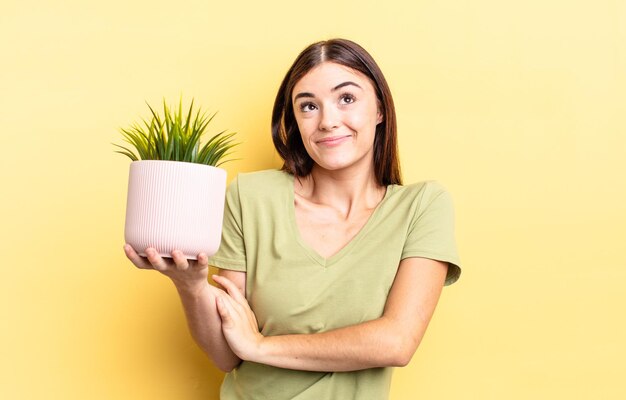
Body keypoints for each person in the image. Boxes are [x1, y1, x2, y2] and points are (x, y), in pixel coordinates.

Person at [124, 38, 461, 400]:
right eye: (308, 107)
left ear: (379, 109)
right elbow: (225, 355)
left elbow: (396, 342)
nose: (328, 121)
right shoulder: (251, 197)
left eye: (346, 99)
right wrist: (190, 286)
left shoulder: (422, 207)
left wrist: (259, 347)